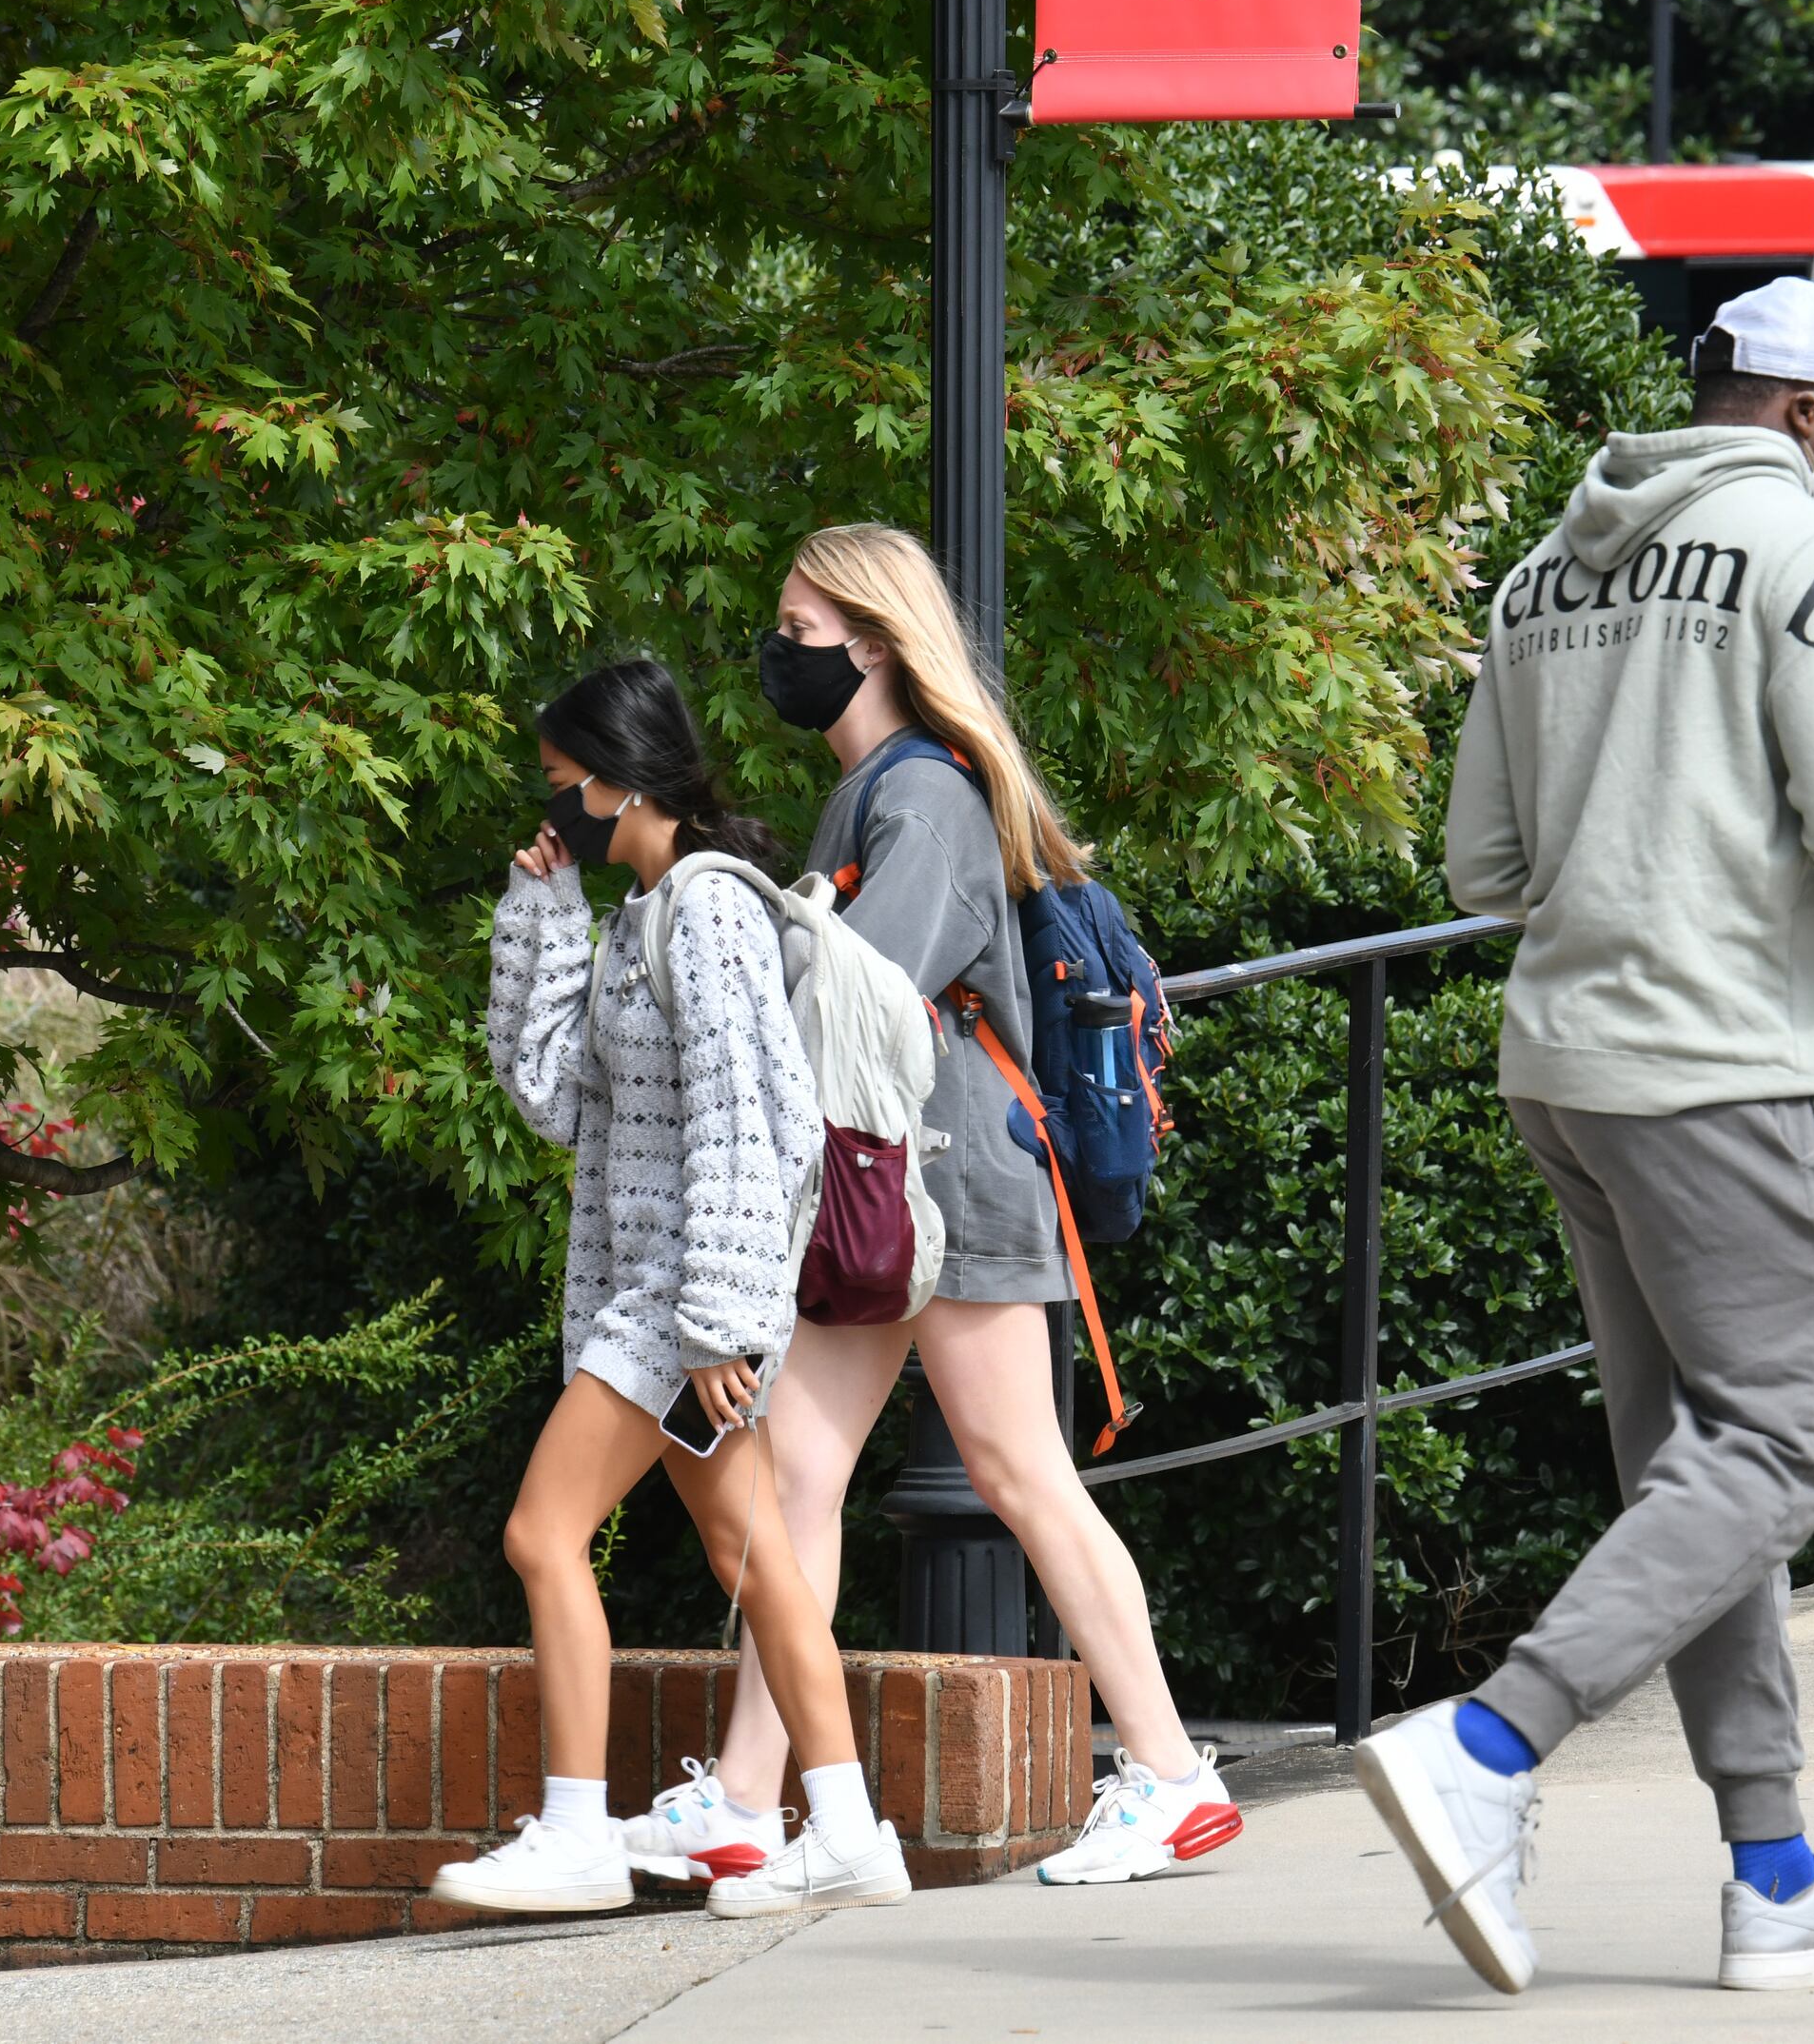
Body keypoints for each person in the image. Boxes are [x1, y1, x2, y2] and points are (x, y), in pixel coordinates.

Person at [1362, 275, 1814, 1995]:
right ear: (1806, 416)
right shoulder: (1809, 551)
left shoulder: (1546, 566)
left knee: (1697, 1477)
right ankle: (1487, 1750)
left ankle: (1775, 1876)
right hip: (1731, 1066)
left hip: (1568, 1065)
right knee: (1788, 1452)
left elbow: (1484, 871)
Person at [618, 522, 1239, 1891]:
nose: (779, 651)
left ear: (877, 641)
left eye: (800, 628)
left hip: (952, 1181)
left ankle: (1173, 1777)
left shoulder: (929, 799)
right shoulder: (877, 797)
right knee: (794, 1478)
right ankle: (743, 1796)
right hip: (890, 1191)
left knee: (1019, 1473)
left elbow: (858, 991)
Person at [431, 658, 910, 1916]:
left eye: (561, 786)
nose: (554, 809)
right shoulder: (640, 918)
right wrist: (541, 917)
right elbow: (548, 1096)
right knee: (757, 1559)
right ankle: (854, 1835)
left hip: (676, 1308)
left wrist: (717, 1322)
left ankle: (578, 1832)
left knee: (543, 1536)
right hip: (658, 1301)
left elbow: (750, 1124)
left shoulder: (706, 910)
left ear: (617, 777)